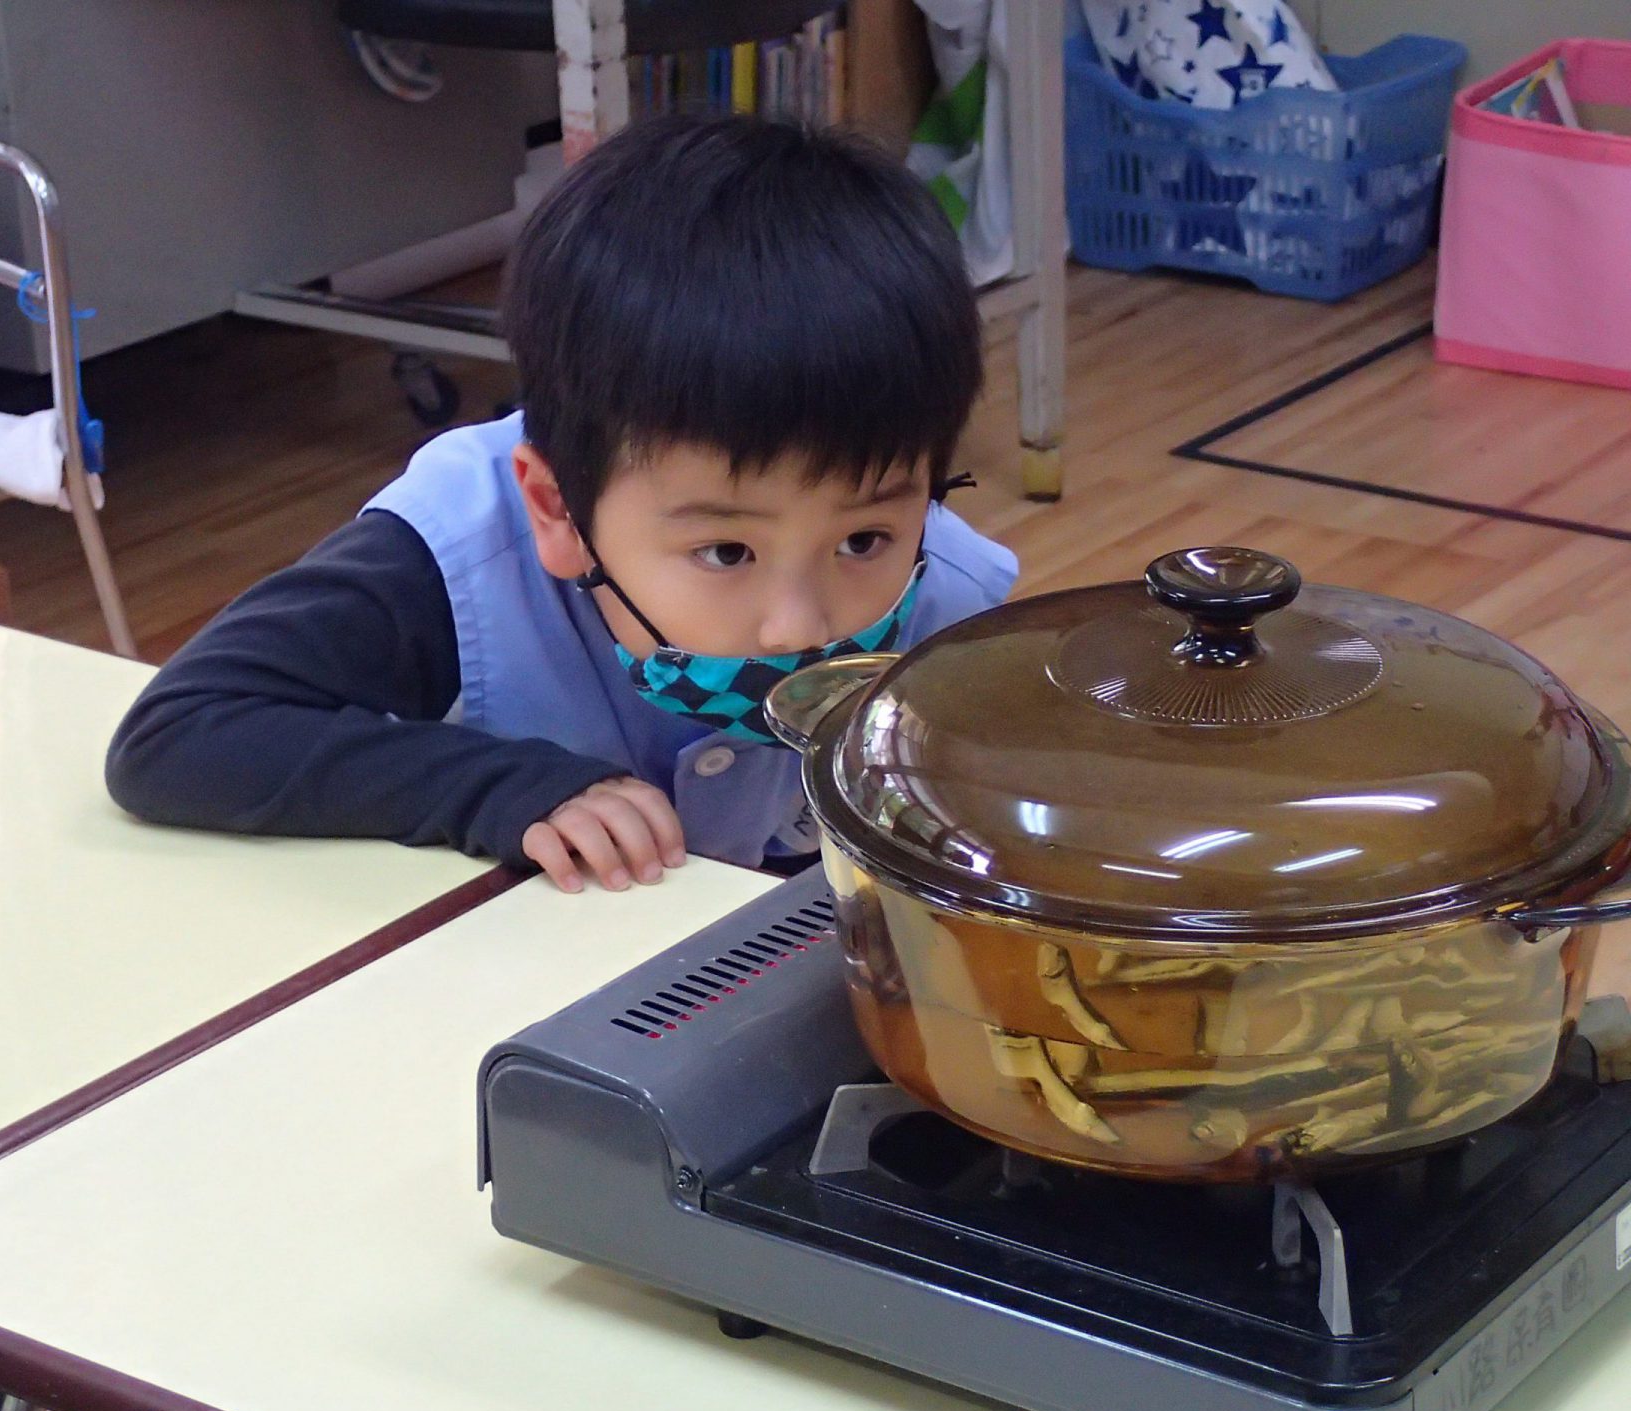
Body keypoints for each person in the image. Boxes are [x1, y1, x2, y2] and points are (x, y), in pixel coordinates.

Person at [106, 115, 1018, 893]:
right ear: (556, 510)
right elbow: (180, 735)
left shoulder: (947, 598)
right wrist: (499, 788)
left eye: (863, 539)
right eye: (727, 552)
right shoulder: (452, 558)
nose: (801, 625)